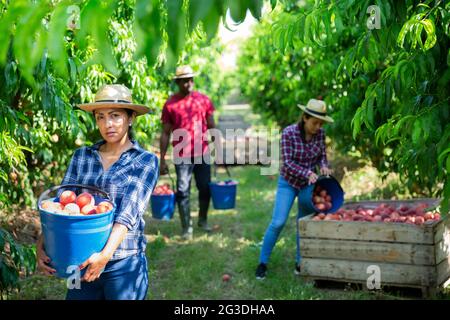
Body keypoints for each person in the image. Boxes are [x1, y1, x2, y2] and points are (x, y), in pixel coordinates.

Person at [36, 84, 159, 300]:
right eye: (100, 117)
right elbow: (61, 206)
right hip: (80, 262)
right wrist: (42, 243)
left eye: (115, 116)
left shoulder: (145, 161)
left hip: (123, 263)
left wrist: (104, 256)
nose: (107, 124)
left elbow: (128, 215)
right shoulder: (82, 156)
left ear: (130, 118)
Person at [255, 98, 334, 280]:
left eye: (321, 123)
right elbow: (287, 162)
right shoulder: (289, 133)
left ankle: (300, 263)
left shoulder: (320, 135)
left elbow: (322, 156)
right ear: (305, 117)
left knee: (303, 223)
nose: (318, 127)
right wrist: (307, 172)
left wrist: (323, 166)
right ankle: (262, 262)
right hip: (289, 182)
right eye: (315, 122)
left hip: (308, 186)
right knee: (278, 222)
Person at [159, 65, 217, 240]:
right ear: (178, 82)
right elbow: (165, 132)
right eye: (185, 80)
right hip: (181, 154)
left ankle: (202, 219)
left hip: (202, 152)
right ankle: (186, 227)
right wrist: (162, 159)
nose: (189, 83)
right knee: (183, 190)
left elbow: (212, 125)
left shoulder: (203, 100)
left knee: (205, 187)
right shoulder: (171, 104)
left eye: (191, 79)